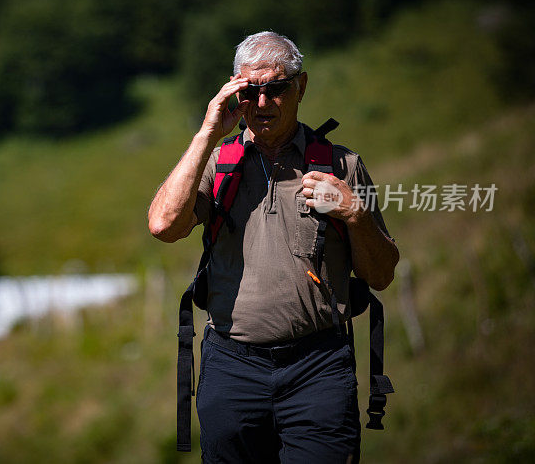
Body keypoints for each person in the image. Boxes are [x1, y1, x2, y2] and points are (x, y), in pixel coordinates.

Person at [147, 31, 399, 463]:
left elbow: (381, 275)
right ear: (234, 91)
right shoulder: (214, 163)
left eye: (276, 89)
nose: (262, 104)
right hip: (231, 366)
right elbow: (163, 225)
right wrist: (207, 133)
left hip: (318, 367)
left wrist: (355, 213)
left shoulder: (343, 166)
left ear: (300, 87)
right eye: (250, 91)